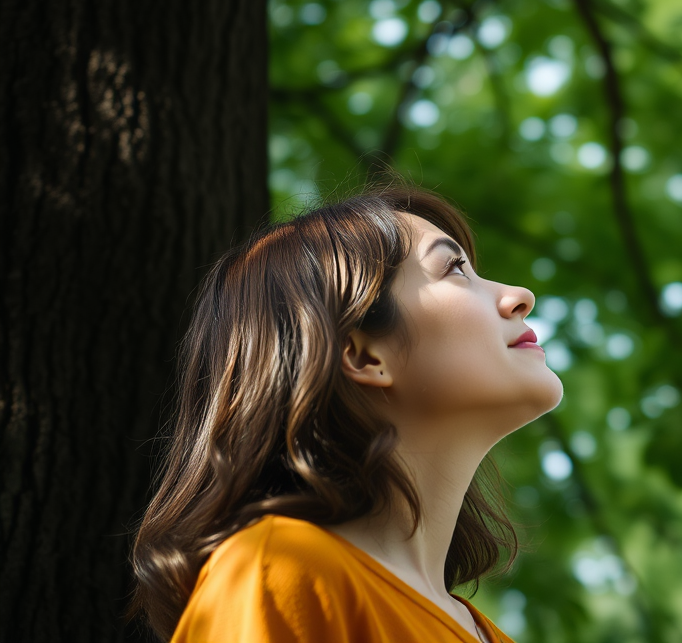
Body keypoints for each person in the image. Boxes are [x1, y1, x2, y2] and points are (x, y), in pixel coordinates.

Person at [128, 183, 563, 643]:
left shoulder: (487, 634)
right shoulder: (278, 571)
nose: (519, 296)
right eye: (455, 269)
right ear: (361, 355)